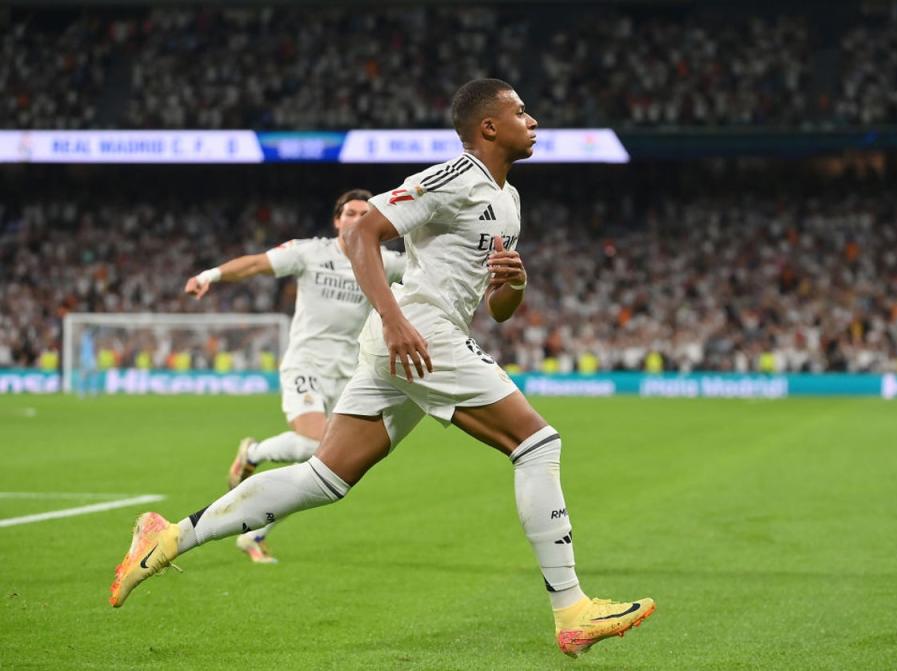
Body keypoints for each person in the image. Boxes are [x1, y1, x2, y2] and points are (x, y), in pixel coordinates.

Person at [110, 79, 655, 658]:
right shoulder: (453, 177)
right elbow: (361, 232)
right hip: (421, 333)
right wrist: (395, 320)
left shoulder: (509, 200)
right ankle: (571, 609)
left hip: (421, 339)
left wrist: (514, 285)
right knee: (537, 445)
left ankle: (168, 537)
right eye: (521, 111)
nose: (534, 119)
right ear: (488, 127)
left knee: (324, 478)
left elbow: (498, 309)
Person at [183, 189, 405, 563]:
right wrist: (211, 275)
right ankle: (255, 453)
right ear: (337, 220)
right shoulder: (310, 252)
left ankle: (255, 531)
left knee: (325, 465)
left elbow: (433, 268)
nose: (356, 219)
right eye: (349, 213)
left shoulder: (385, 261)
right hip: (306, 364)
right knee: (317, 445)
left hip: (350, 373)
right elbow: (255, 264)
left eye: (365, 215)